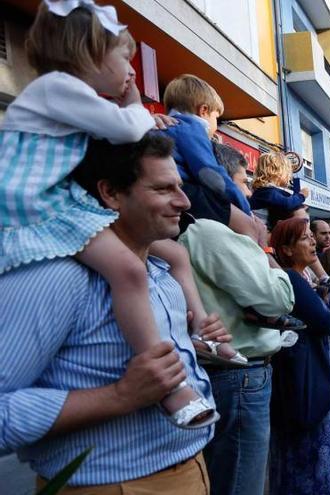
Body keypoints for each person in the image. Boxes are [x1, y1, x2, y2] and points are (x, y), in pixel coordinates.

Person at [0, 3, 220, 429]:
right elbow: (127, 129)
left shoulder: (60, 97)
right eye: (123, 56)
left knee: (161, 261)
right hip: (37, 206)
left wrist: (136, 111)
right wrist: (134, 103)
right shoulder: (58, 88)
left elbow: (123, 131)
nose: (130, 69)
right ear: (89, 52)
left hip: (48, 200)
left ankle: (182, 361)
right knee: (128, 271)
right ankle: (167, 385)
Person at [1, 132, 223, 492]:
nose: (184, 201)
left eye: (179, 187)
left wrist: (194, 347)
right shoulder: (58, 279)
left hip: (192, 469)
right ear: (111, 193)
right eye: (164, 189)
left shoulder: (161, 273)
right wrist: (120, 395)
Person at [181, 147, 297, 495]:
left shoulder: (198, 233)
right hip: (238, 377)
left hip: (231, 375)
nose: (249, 193)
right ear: (222, 184)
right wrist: (263, 250)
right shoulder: (211, 233)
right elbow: (280, 298)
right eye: (244, 183)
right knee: (240, 484)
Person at [268, 218, 330, 495]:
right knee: (310, 455)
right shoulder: (292, 278)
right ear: (287, 249)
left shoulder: (301, 277)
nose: (314, 242)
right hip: (309, 373)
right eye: (305, 238)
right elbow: (323, 322)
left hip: (312, 368)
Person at [161, 74, 260, 243]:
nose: (216, 123)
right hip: (177, 190)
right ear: (203, 110)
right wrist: (244, 207)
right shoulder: (190, 127)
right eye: (216, 117)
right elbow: (210, 174)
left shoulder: (164, 127)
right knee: (247, 229)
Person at [250, 151, 308, 231]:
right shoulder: (268, 192)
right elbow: (286, 204)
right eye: (288, 171)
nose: (289, 176)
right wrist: (301, 196)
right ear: (279, 172)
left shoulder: (262, 191)